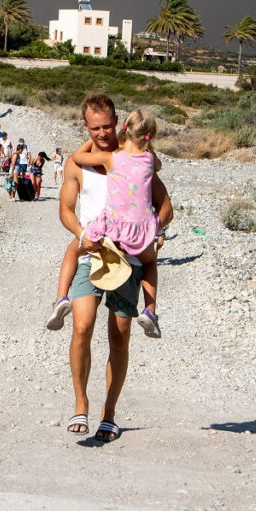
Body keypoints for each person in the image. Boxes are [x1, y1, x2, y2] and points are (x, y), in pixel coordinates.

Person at [50, 94, 172, 441]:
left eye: (108, 126)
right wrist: (81, 234)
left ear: (118, 121)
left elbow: (166, 206)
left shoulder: (134, 158)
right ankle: (80, 403)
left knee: (118, 339)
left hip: (129, 261)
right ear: (86, 127)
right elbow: (66, 211)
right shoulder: (79, 165)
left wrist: (153, 232)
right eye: (95, 128)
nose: (103, 133)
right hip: (93, 254)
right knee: (82, 326)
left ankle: (109, 413)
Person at [71, 108, 162, 339]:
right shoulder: (151, 160)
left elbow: (77, 158)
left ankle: (61, 297)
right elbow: (157, 166)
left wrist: (89, 138)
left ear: (123, 129)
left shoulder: (111, 158)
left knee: (75, 247)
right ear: (149, 136)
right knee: (150, 263)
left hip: (113, 229)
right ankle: (150, 310)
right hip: (141, 231)